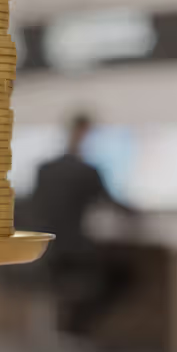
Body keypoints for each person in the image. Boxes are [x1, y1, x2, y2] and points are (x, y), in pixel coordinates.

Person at [29, 112, 137, 339]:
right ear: (85, 133)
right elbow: (113, 205)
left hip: (43, 253)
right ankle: (75, 329)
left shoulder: (44, 170)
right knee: (122, 275)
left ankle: (70, 329)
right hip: (73, 255)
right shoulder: (87, 172)